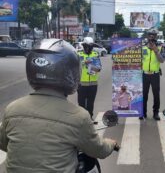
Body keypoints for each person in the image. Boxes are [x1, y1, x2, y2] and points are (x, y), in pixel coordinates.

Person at [0, 39, 118, 172]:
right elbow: (98, 150)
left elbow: (4, 144)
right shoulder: (79, 117)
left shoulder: (11, 109)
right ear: (70, 73)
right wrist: (111, 143)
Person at [140, 29, 165, 120]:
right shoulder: (142, 47)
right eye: (150, 35)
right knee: (144, 94)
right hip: (144, 74)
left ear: (156, 37)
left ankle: (156, 113)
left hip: (155, 75)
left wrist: (156, 51)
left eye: (154, 35)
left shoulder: (160, 47)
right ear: (147, 36)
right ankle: (142, 112)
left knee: (156, 95)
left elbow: (162, 60)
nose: (152, 37)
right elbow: (137, 59)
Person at [77, 37, 101, 119]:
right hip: (81, 84)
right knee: (81, 104)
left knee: (91, 103)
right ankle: (82, 119)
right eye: (87, 46)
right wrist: (84, 62)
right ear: (84, 46)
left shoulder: (95, 54)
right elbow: (75, 65)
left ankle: (90, 117)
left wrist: (94, 67)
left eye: (91, 47)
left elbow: (99, 68)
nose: (89, 48)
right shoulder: (79, 54)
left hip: (93, 84)